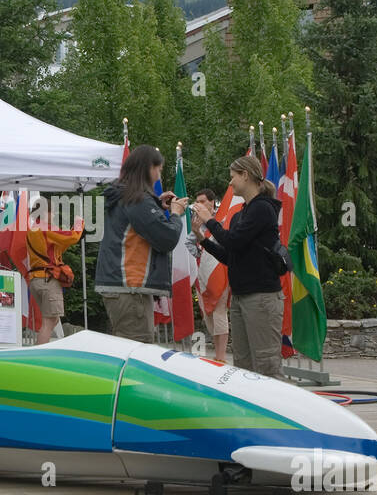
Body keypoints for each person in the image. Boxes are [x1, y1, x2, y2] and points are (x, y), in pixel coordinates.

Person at [191, 155, 285, 379]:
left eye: (233, 177)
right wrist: (202, 239)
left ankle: (274, 411)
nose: (230, 183)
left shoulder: (262, 209)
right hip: (241, 297)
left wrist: (209, 220)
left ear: (245, 175)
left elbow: (233, 240)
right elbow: (230, 255)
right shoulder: (240, 214)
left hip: (262, 297)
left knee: (267, 363)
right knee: (243, 363)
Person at [94, 145, 185, 343]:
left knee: (126, 347)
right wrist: (176, 214)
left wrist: (156, 205)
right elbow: (166, 238)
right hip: (130, 288)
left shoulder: (126, 195)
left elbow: (138, 226)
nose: (159, 177)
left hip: (121, 286)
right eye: (158, 170)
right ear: (148, 168)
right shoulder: (137, 200)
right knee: (137, 352)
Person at [24, 200, 83, 344]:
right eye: (52, 212)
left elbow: (56, 248)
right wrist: (79, 223)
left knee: (52, 319)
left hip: (36, 280)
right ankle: (39, 355)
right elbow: (72, 236)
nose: (54, 214)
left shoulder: (33, 230)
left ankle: (40, 350)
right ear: (44, 212)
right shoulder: (45, 229)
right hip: (47, 280)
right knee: (49, 321)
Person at [193, 188, 229, 362]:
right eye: (197, 201)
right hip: (203, 272)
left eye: (202, 201)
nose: (198, 205)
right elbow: (190, 246)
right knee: (208, 314)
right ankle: (217, 354)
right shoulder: (197, 222)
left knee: (219, 311)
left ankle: (221, 357)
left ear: (212, 203)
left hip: (219, 270)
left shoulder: (221, 219)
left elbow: (225, 241)